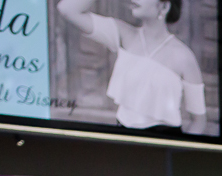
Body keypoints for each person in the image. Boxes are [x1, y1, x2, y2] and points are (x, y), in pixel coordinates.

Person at [56, 0, 207, 134]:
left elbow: (199, 121)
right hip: (124, 141)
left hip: (162, 145)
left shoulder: (184, 57)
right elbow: (67, 9)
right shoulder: (124, 34)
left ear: (164, 6)